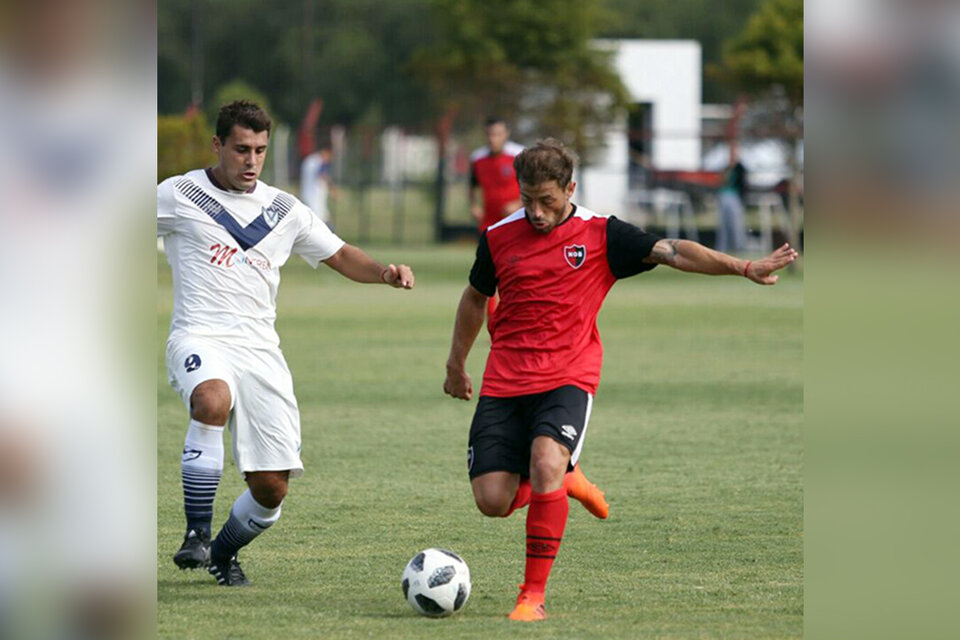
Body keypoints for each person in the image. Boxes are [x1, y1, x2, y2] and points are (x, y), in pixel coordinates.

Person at [443, 139, 797, 621]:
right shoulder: (499, 236)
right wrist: (455, 364)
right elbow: (474, 298)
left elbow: (674, 252)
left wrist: (744, 267)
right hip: (505, 380)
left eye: (547, 200)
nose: (537, 212)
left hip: (568, 376)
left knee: (545, 459)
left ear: (570, 188)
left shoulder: (602, 234)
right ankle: (567, 481)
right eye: (528, 199)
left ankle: (532, 595)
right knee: (492, 501)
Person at [158, 100, 415, 586]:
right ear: (218, 146)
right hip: (200, 335)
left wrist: (384, 272)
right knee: (210, 399)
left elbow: (339, 254)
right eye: (240, 149)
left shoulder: (284, 209)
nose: (251, 160)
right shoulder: (178, 194)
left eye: (259, 150)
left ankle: (222, 552)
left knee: (271, 488)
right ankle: (196, 532)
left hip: (260, 353)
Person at [469, 116, 524, 318]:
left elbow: (532, 187)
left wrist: (518, 204)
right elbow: (472, 185)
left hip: (515, 223)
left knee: (514, 272)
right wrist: (474, 205)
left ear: (506, 134)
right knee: (489, 274)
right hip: (489, 224)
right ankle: (494, 322)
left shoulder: (518, 155)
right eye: (490, 134)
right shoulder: (477, 158)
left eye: (497, 134)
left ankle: (516, 316)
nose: (493, 139)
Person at [716, 142, 749, 253]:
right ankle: (722, 247)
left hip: (734, 197)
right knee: (723, 224)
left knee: (736, 224)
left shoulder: (740, 168)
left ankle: (738, 246)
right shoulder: (726, 168)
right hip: (724, 196)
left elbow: (744, 185)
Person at [299, 145, 336, 228]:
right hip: (316, 198)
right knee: (322, 224)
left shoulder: (309, 160)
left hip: (306, 195)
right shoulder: (319, 161)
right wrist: (332, 189)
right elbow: (322, 174)